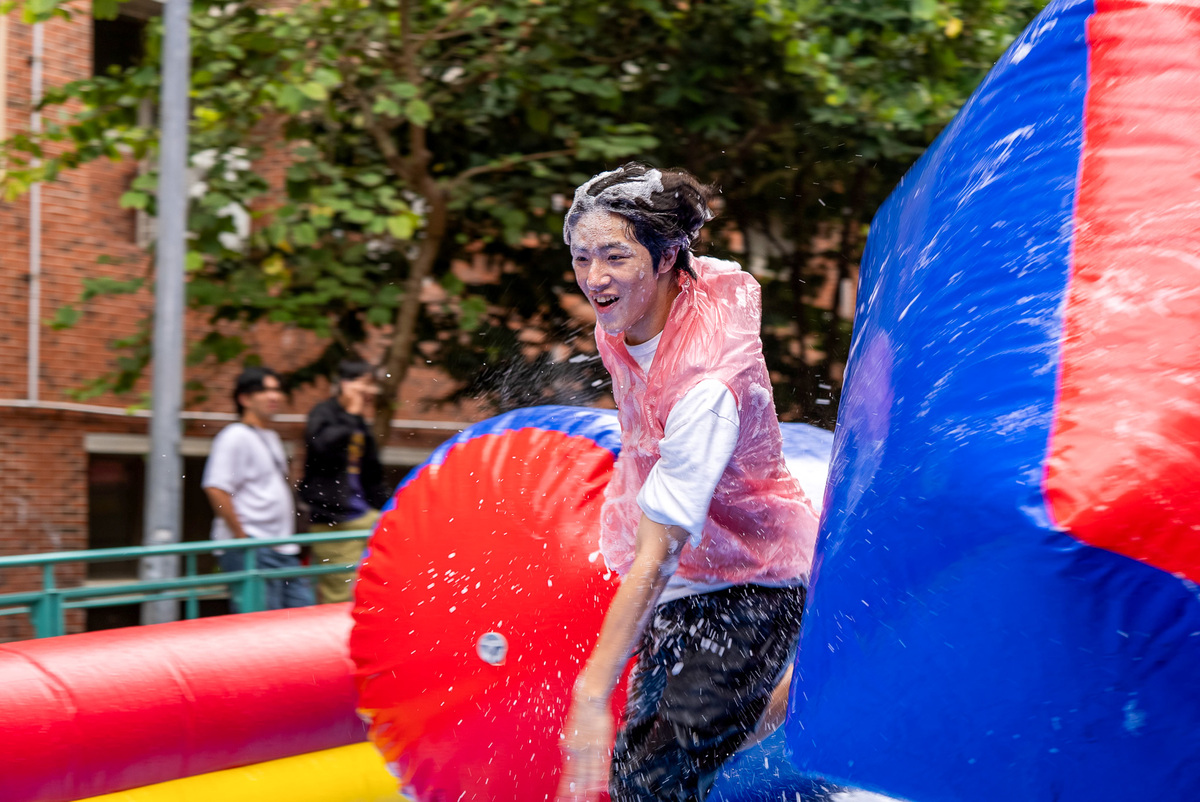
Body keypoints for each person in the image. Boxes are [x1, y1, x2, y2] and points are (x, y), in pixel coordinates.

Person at [556, 163, 820, 802]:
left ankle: (799, 685)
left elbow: (657, 550)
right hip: (690, 583)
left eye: (615, 256)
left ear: (668, 255)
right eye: (581, 256)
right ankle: (780, 696)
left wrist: (592, 693)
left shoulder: (706, 387)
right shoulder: (636, 307)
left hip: (752, 586)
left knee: (650, 783)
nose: (595, 277)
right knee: (642, 771)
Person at [203, 366, 315, 611]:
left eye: (277, 390)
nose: (274, 396)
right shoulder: (234, 436)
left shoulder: (270, 437)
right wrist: (242, 539)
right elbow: (216, 488)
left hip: (282, 549)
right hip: (253, 548)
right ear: (244, 399)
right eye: (264, 391)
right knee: (262, 630)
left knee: (302, 620)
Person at [300, 360, 391, 604]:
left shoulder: (359, 423)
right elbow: (321, 447)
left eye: (373, 386)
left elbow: (372, 476)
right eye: (366, 385)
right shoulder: (324, 413)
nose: (371, 392)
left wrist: (390, 510)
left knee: (382, 581)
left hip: (363, 516)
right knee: (342, 596)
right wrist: (350, 413)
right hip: (335, 518)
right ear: (346, 384)